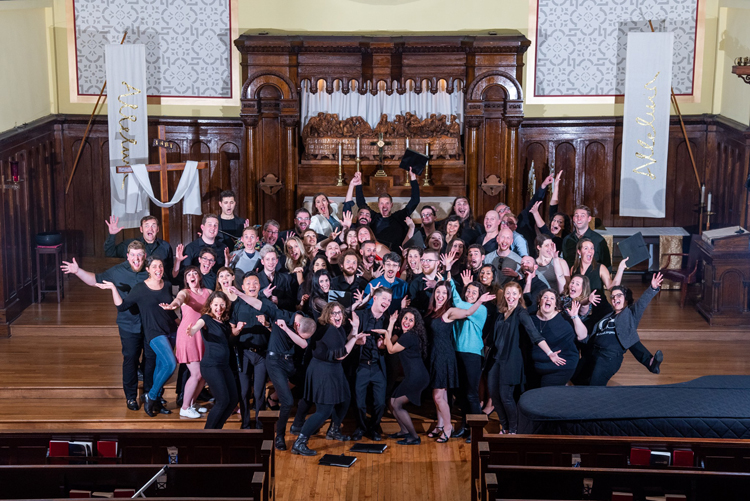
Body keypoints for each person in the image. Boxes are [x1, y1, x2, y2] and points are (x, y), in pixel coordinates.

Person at [61, 241, 150, 411]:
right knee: (130, 359)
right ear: (128, 256)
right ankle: (131, 397)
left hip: (149, 323)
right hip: (128, 324)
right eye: (133, 255)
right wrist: (77, 271)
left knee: (150, 359)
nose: (137, 259)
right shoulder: (117, 271)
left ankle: (149, 394)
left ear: (144, 256)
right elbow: (95, 280)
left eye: (140, 255)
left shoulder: (150, 269)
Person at [97, 256, 177, 417]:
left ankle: (156, 400)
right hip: (154, 333)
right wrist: (113, 288)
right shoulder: (140, 288)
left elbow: (171, 311)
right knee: (171, 364)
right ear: (147, 269)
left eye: (160, 266)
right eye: (154, 266)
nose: (158, 269)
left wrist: (181, 324)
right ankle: (151, 396)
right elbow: (122, 306)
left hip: (170, 330)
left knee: (160, 366)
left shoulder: (167, 285)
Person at [292, 302, 368, 456]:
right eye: (334, 313)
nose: (338, 316)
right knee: (324, 410)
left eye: (339, 312)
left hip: (333, 370)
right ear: (327, 315)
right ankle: (300, 442)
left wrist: (354, 330)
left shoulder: (337, 329)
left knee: (345, 398)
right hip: (323, 371)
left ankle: (333, 430)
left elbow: (342, 342)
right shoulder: (329, 330)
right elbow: (340, 354)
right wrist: (354, 340)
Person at [489, 282, 564, 434]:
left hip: (510, 361)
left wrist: (550, 353)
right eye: (508, 293)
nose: (511, 297)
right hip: (496, 360)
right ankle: (505, 426)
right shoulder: (501, 313)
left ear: (519, 296)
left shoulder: (520, 313)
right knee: (494, 395)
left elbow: (534, 334)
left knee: (506, 397)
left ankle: (513, 429)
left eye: (514, 293)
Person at [424, 280, 493, 443]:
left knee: (471, 394)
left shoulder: (480, 309)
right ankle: (464, 425)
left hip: (472, 354)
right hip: (456, 353)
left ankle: (475, 430)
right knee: (461, 394)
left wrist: (450, 283)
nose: (470, 294)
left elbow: (465, 309)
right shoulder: (453, 309)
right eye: (468, 291)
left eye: (474, 293)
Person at [587, 273, 664, 386]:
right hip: (595, 353)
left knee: (593, 388)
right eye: (612, 297)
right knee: (579, 381)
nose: (615, 298)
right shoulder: (607, 316)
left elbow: (641, 304)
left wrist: (652, 288)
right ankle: (649, 361)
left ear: (626, 300)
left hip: (609, 357)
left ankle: (650, 361)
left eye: (619, 295)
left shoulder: (629, 314)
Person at [185, 291, 245, 429]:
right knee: (223, 400)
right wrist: (192, 331)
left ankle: (217, 431)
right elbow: (197, 326)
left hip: (224, 366)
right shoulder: (206, 318)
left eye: (222, 305)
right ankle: (208, 434)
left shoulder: (224, 322)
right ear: (211, 305)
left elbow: (228, 338)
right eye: (216, 304)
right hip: (211, 366)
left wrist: (238, 330)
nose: (219, 308)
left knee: (233, 400)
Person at [160, 265, 210, 418]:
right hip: (188, 335)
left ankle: (193, 403)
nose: (192, 275)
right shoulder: (185, 292)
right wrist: (173, 305)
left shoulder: (208, 292)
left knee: (204, 375)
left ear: (199, 277)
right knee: (196, 373)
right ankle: (185, 407)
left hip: (203, 335)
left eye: (195, 273)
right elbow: (179, 299)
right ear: (186, 279)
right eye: (189, 274)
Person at [379, 308, 429, 445]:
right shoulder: (404, 334)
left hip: (417, 377)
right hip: (414, 376)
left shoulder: (409, 336)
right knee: (391, 402)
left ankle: (414, 436)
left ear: (415, 324)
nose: (407, 322)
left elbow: (390, 349)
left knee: (396, 403)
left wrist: (386, 330)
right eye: (405, 318)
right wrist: (391, 323)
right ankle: (404, 431)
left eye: (411, 320)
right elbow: (386, 343)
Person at [350, 287, 393, 441]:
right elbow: (347, 339)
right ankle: (361, 427)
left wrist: (384, 347)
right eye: (384, 299)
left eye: (389, 300)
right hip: (361, 366)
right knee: (359, 402)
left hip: (377, 366)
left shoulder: (388, 321)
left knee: (380, 403)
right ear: (375, 298)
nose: (387, 302)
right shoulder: (360, 315)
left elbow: (391, 347)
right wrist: (357, 342)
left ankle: (374, 428)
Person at [530, 289, 587, 387]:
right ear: (540, 301)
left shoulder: (564, 319)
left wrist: (575, 317)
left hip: (561, 366)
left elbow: (583, 336)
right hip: (538, 365)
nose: (548, 299)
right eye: (545, 297)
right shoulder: (531, 319)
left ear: (555, 305)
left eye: (552, 298)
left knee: (546, 395)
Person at [354, 170, 421, 250]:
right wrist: (358, 184)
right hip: (376, 255)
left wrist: (413, 179)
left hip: (396, 256)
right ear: (378, 205)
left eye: (387, 203)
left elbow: (415, 201)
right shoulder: (373, 217)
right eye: (381, 203)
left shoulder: (399, 216)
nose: (384, 206)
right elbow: (361, 204)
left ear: (391, 205)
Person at [104, 215, 174, 274]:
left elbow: (169, 272)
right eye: (146, 226)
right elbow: (110, 253)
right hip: (137, 286)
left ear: (157, 229)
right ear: (141, 229)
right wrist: (112, 235)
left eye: (153, 226)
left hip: (159, 286)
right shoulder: (130, 244)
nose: (150, 229)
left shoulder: (165, 246)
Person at [256, 245, 298, 312]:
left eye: (273, 259)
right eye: (267, 259)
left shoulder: (284, 278)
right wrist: (263, 295)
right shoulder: (256, 278)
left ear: (277, 261)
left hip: (280, 315)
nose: (271, 262)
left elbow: (291, 302)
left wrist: (279, 301)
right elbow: (250, 299)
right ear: (262, 262)